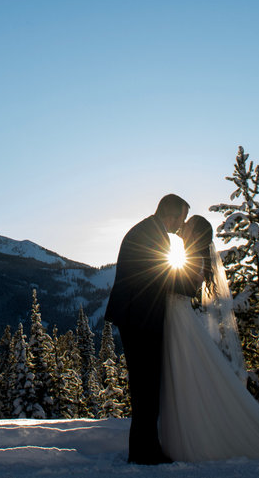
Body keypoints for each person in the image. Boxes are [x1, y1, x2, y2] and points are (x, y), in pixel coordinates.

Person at [159, 215, 259, 462]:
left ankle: (194, 437)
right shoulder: (188, 255)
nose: (183, 227)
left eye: (188, 226)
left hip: (180, 320)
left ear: (196, 234)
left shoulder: (196, 258)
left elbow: (187, 287)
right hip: (176, 319)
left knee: (186, 372)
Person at [104, 193, 190, 465]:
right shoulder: (152, 235)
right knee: (146, 386)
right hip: (141, 320)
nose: (181, 226)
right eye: (181, 219)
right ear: (172, 214)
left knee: (145, 385)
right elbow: (162, 275)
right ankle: (144, 452)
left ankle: (144, 447)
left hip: (137, 317)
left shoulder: (146, 230)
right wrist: (191, 284)